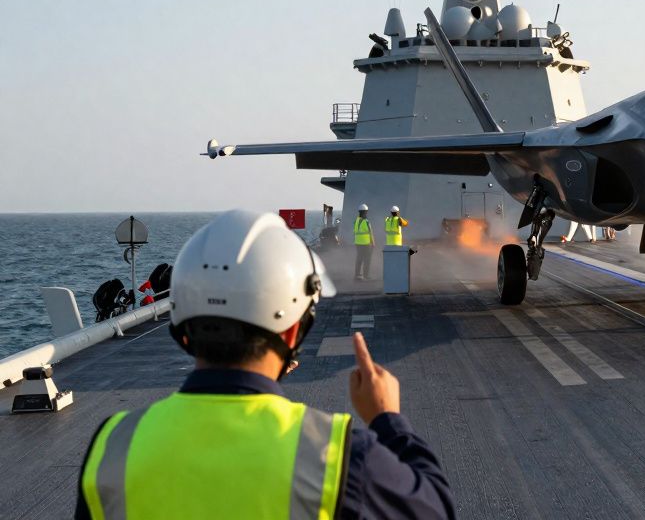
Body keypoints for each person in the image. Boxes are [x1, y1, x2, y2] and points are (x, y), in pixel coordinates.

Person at [75, 210, 454, 520]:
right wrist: (387, 419)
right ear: (293, 332)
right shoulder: (337, 453)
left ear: (181, 325)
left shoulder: (112, 446)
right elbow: (435, 510)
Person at [354, 203, 374, 280]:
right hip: (366, 243)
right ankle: (366, 275)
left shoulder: (356, 221)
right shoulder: (366, 221)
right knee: (367, 260)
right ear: (365, 212)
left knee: (359, 259)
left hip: (358, 243)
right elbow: (370, 232)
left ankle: (357, 275)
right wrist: (373, 243)